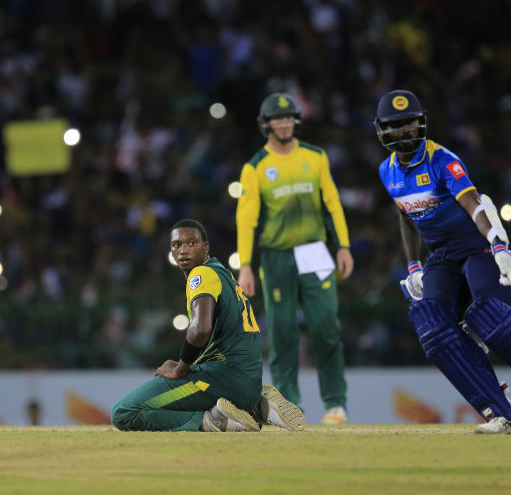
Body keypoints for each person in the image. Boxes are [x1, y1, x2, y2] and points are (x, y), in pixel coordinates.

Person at [373, 89, 511, 434]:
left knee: (489, 318)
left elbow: (474, 204)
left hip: (476, 247)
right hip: (441, 256)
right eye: (397, 126)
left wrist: (497, 244)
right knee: (429, 324)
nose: (405, 132)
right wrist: (413, 265)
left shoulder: (442, 160)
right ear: (383, 131)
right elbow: (407, 217)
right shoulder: (387, 172)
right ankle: (503, 413)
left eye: (411, 124)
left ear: (422, 124)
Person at [111, 219, 305, 432]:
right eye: (177, 245)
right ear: (171, 250)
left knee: (124, 413)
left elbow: (200, 329)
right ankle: (253, 405)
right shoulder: (222, 273)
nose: (184, 250)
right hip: (246, 379)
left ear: (206, 247)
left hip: (220, 377)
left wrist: (180, 367)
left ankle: (214, 420)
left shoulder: (201, 274)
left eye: (192, 243)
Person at [235, 93, 354, 426]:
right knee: (284, 333)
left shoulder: (315, 156)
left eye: (289, 118)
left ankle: (336, 404)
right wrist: (246, 265)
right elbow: (247, 220)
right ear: (266, 124)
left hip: (315, 251)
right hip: (276, 258)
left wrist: (342, 246)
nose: (284, 123)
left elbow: (332, 204)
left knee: (326, 326)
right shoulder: (255, 166)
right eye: (278, 119)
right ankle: (290, 406)